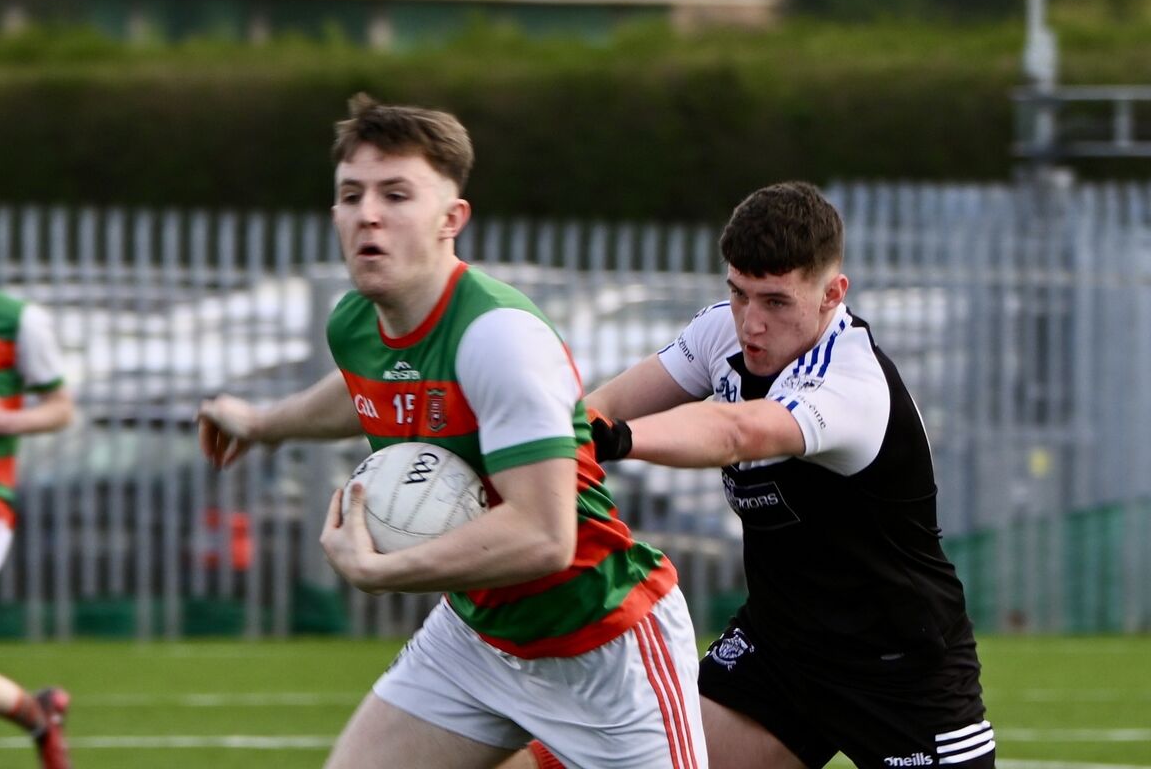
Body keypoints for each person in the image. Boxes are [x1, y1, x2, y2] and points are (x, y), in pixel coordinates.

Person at [196, 94, 707, 769]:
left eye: (396, 194)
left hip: (602, 642)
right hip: (475, 640)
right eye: (351, 195)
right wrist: (264, 424)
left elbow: (544, 535)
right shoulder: (356, 323)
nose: (368, 213)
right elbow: (369, 389)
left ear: (451, 219)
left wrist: (384, 571)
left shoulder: (499, 338)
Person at [504, 181, 994, 769]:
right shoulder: (721, 332)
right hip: (778, 653)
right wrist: (530, 454)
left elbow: (738, 432)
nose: (751, 324)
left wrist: (618, 439)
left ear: (832, 294)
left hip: (900, 670)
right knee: (600, 759)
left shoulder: (852, 380)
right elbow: (604, 406)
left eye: (776, 302)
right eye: (738, 294)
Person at [0, 175, 75, 769]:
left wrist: (6, 420)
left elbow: (60, 408)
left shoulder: (15, 319)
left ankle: (39, 714)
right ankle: (39, 713)